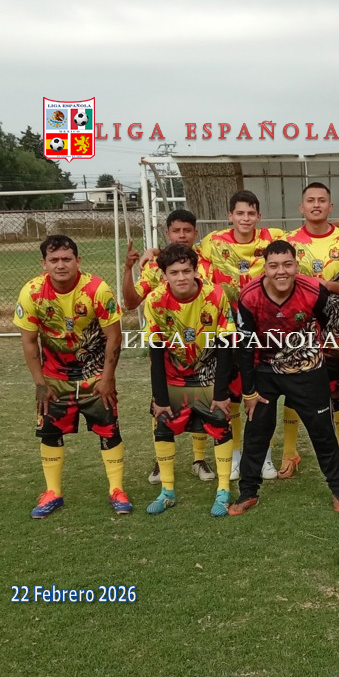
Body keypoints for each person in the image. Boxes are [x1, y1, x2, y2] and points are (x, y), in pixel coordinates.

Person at [218, 240, 339, 515]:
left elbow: (330, 328)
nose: (281, 271)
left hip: (307, 370)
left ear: (296, 266)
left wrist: (319, 365)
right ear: (265, 268)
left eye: (287, 265)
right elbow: (245, 346)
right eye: (274, 266)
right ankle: (248, 493)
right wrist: (249, 391)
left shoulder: (315, 291)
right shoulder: (250, 296)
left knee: (322, 432)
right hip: (265, 370)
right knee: (256, 432)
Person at [14, 234, 131, 518]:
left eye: (67, 259)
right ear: (44, 264)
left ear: (78, 261)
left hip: (95, 376)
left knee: (109, 430)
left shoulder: (97, 289)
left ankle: (117, 490)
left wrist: (108, 377)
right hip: (54, 378)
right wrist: (40, 383)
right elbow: (29, 342)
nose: (60, 265)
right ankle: (53, 492)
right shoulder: (31, 292)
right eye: (53, 259)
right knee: (50, 432)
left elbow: (114, 337)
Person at [122, 208, 219, 486]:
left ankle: (199, 458)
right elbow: (131, 302)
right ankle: (161, 461)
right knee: (161, 401)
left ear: (195, 233)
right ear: (167, 233)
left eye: (187, 230)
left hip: (201, 350)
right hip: (167, 348)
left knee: (200, 401)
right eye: (176, 230)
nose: (182, 235)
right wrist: (128, 269)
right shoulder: (154, 265)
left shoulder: (208, 262)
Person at [198, 190, 287, 483]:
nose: (245, 219)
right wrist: (153, 254)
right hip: (228, 332)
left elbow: (310, 235)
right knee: (234, 396)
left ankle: (264, 455)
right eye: (240, 213)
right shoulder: (213, 242)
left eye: (251, 213)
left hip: (264, 330)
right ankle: (236, 455)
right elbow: (183, 253)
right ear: (230, 216)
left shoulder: (273, 237)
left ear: (258, 216)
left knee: (264, 394)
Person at [144, 243, 236, 517]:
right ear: (164, 275)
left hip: (208, 375)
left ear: (196, 270)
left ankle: (223, 491)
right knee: (162, 423)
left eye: (186, 270)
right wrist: (160, 399)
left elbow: (226, 345)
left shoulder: (215, 295)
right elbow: (156, 351)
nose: (181, 277)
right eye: (174, 272)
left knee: (220, 422)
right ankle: (167, 492)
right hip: (174, 376)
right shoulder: (155, 301)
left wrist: (221, 393)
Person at [283, 183, 339, 478]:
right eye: (310, 200)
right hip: (296, 325)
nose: (316, 205)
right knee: (293, 385)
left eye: (322, 200)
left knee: (337, 388)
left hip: (332, 325)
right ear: (301, 207)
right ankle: (289, 453)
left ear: (330, 207)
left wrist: (327, 286)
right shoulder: (288, 240)